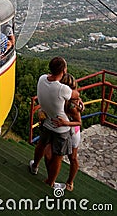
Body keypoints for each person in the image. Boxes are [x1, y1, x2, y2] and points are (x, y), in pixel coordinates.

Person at [29, 57, 79, 188]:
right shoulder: (62, 89)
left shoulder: (41, 79)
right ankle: (50, 182)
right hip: (60, 127)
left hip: (47, 120)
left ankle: (34, 166)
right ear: (64, 70)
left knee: (41, 144)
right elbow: (75, 95)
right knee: (58, 156)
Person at [52, 73, 84, 191]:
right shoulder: (63, 99)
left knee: (73, 158)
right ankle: (52, 179)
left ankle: (70, 181)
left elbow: (79, 122)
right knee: (54, 154)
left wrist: (65, 123)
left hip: (72, 131)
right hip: (62, 129)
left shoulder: (72, 105)